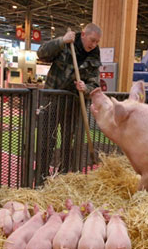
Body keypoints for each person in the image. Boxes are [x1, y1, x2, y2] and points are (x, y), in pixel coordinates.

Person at [36, 23, 102, 180]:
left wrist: (85, 87)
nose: (93, 45)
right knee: (46, 140)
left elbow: (95, 84)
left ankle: (64, 177)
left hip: (73, 104)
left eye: (97, 42)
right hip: (52, 100)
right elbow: (41, 53)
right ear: (83, 34)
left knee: (69, 143)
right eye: (92, 40)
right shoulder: (66, 44)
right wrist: (61, 41)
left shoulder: (94, 56)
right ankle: (42, 177)